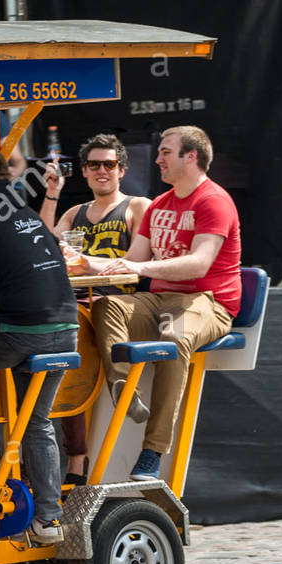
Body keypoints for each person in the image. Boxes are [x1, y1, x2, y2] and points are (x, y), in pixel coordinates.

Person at [87, 126, 241, 481]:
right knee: (106, 306)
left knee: (174, 339)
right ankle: (123, 384)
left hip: (208, 301)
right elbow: (130, 262)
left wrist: (139, 267)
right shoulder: (159, 204)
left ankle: (153, 451)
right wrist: (78, 260)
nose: (157, 159)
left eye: (166, 152)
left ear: (192, 157)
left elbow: (199, 263)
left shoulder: (213, 200)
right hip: (158, 298)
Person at [0, 145, 78, 543]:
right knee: (37, 422)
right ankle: (49, 520)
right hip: (67, 330)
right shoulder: (25, 213)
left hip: (21, 331)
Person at [39, 134, 151, 483]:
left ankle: (77, 460)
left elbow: (136, 264)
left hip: (119, 302)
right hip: (77, 303)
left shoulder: (137, 206)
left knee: (71, 341)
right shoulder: (74, 213)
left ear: (122, 169)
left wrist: (86, 263)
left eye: (109, 164)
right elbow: (43, 243)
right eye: (93, 165)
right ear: (84, 172)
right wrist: (52, 193)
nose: (102, 171)